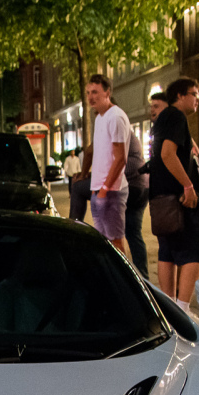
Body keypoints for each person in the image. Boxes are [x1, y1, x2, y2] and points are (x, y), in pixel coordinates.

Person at [147, 77, 199, 312]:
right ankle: (182, 310)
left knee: (167, 251)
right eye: (194, 93)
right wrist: (188, 186)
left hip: (162, 198)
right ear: (180, 96)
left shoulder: (163, 119)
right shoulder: (176, 116)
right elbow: (168, 154)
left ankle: (170, 309)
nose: (198, 99)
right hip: (178, 198)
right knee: (194, 250)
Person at [86, 73, 132, 260]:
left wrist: (105, 189)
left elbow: (120, 158)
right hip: (99, 190)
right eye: (88, 92)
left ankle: (125, 282)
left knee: (116, 242)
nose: (91, 97)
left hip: (111, 190)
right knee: (104, 240)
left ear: (107, 92)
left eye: (95, 92)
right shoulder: (100, 118)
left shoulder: (115, 117)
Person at [124, 132, 149, 276]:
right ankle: (142, 275)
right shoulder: (129, 133)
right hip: (142, 185)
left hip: (132, 185)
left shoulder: (118, 128)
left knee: (128, 232)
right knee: (133, 233)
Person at [68, 144, 92, 221]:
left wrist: (83, 175)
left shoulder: (103, 131)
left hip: (111, 183)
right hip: (126, 180)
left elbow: (89, 152)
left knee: (77, 187)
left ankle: (74, 227)